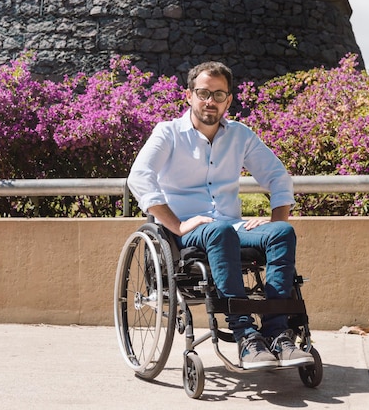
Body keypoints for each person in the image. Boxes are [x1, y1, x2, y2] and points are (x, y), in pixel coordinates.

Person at [127, 61, 313, 370]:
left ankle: (278, 333)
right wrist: (177, 224)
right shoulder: (169, 133)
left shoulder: (240, 135)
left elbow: (279, 178)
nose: (209, 101)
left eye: (218, 94)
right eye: (203, 93)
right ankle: (246, 337)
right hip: (189, 228)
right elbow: (139, 177)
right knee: (219, 231)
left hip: (230, 225)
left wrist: (276, 219)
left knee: (281, 233)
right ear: (189, 96)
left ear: (228, 100)